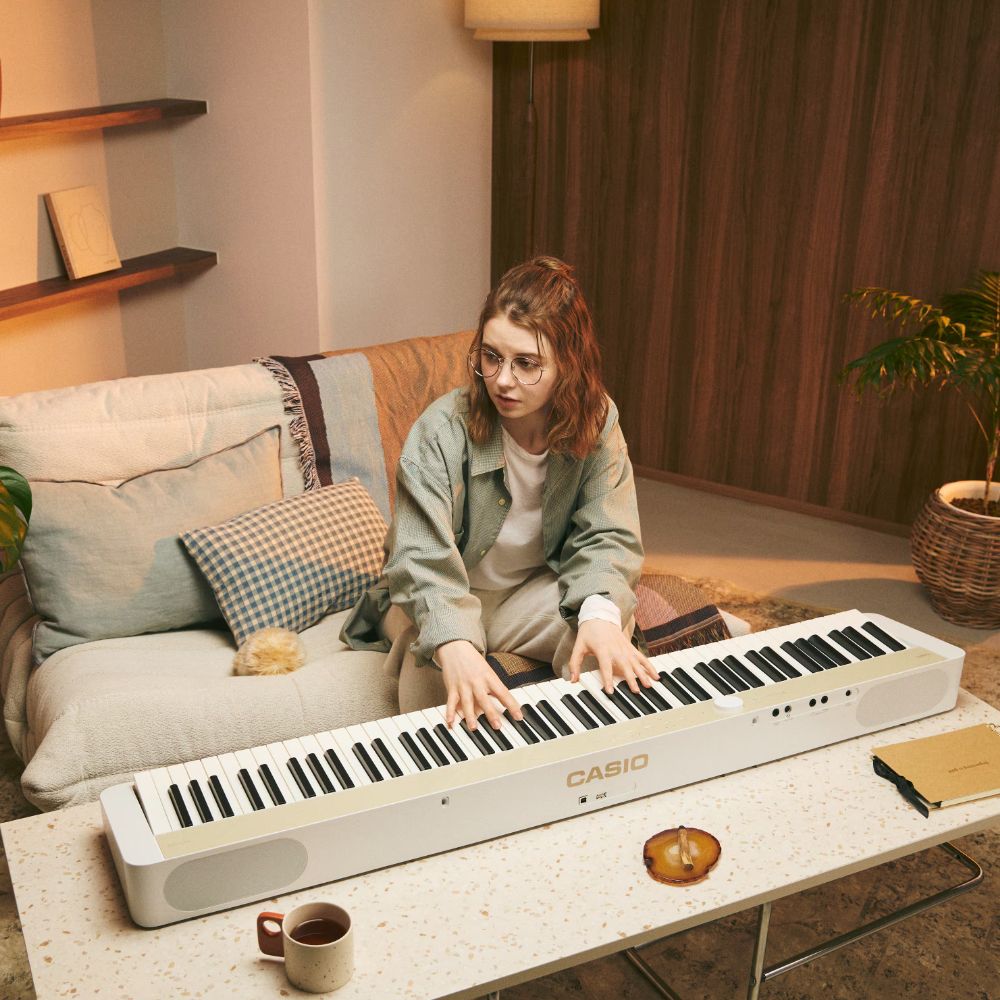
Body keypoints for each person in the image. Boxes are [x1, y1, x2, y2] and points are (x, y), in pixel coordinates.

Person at [342, 256, 657, 731]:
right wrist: (453, 644)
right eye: (491, 357)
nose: (503, 380)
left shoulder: (597, 420)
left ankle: (585, 761)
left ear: (568, 364)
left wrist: (599, 613)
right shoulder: (440, 432)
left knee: (605, 631)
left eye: (526, 363)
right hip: (448, 588)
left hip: (529, 592)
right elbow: (420, 558)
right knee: (437, 677)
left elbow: (609, 532)